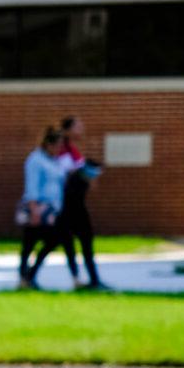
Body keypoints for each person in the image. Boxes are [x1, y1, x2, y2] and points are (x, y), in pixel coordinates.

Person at [18, 125, 73, 290]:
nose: (59, 149)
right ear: (49, 144)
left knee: (51, 241)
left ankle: (29, 276)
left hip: (52, 211)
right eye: (57, 146)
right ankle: (24, 278)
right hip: (38, 209)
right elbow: (32, 186)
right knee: (29, 244)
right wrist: (34, 210)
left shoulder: (54, 161)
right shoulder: (36, 159)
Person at [55, 115, 106, 291]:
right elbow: (65, 174)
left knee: (83, 239)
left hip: (76, 202)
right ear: (67, 129)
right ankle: (83, 279)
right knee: (62, 242)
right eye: (78, 126)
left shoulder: (72, 149)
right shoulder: (61, 149)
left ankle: (92, 279)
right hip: (67, 203)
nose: (81, 130)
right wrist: (84, 174)